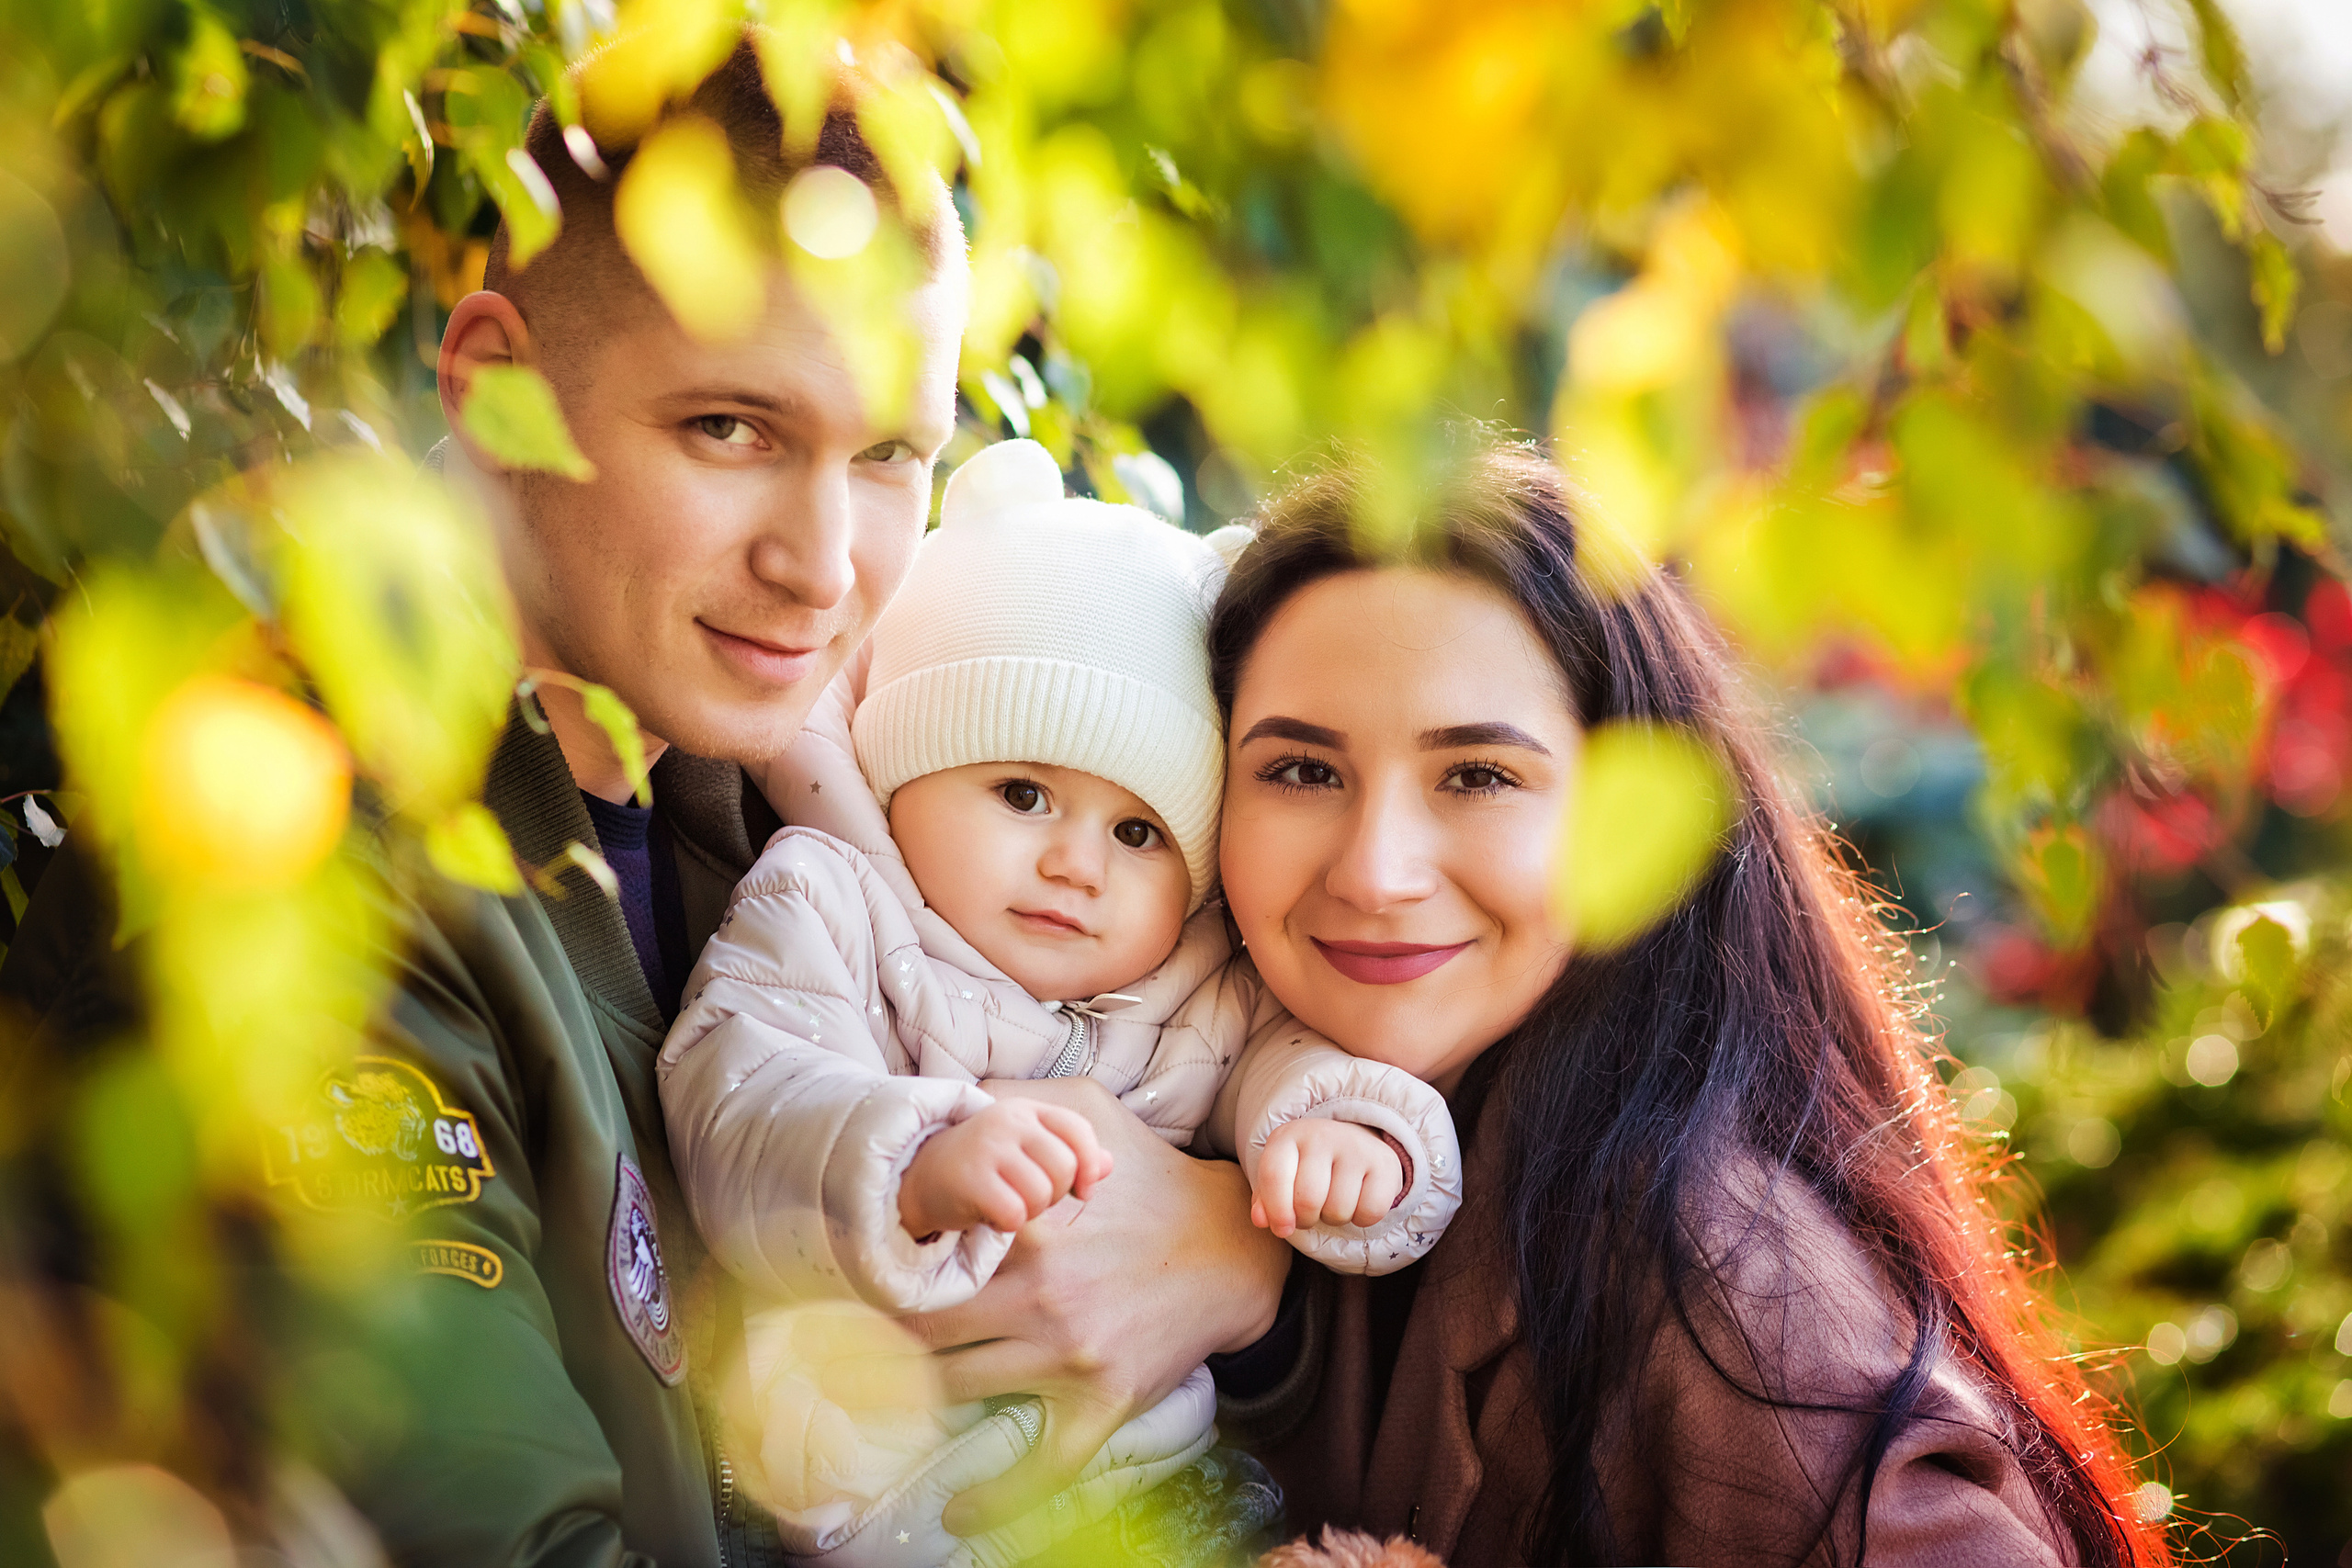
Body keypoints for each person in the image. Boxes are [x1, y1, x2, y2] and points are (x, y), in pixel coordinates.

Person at [0, 34, 1291, 1567]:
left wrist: (1232, 1253)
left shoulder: (793, 775)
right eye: (732, 429)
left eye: (889, 455)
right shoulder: (292, 869)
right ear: (496, 388)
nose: (822, 566)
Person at [1203, 443, 2174, 1565]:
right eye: (1301, 771)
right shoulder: (1208, 1113)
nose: (1375, 872)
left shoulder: (1730, 1288)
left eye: (1476, 775)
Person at [658, 437, 1458, 1563]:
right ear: (903, 771)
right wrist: (915, 1158)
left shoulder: (1191, 981)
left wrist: (1341, 1127)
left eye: (1137, 833)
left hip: (1156, 1491)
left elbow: (1284, 1055)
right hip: (885, 1497)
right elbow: (736, 1098)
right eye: (1022, 793)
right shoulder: (832, 903)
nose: (1078, 865)